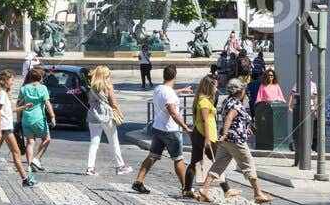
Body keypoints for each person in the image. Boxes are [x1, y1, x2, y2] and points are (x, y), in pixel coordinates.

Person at [196, 80, 273, 205]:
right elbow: (229, 118)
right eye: (245, 90)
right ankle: (258, 193)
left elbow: (235, 120)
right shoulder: (235, 104)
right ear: (240, 91)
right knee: (249, 165)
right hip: (235, 140)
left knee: (218, 165)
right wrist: (226, 133)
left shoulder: (227, 101)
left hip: (227, 141)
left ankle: (204, 189)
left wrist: (244, 130)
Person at [132, 64, 190, 196]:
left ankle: (138, 181)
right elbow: (173, 113)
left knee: (152, 156)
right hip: (170, 131)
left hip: (157, 128)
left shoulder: (158, 89)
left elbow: (168, 94)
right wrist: (186, 128)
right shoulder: (169, 93)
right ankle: (186, 189)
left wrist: (181, 90)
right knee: (178, 159)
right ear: (175, 76)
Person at [184, 75, 234, 198]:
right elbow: (205, 121)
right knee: (218, 163)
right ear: (210, 86)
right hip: (207, 136)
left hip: (199, 133)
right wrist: (207, 138)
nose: (216, 89)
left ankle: (187, 189)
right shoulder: (204, 102)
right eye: (215, 86)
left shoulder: (200, 99)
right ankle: (226, 190)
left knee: (194, 162)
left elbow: (197, 119)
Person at [83, 65, 130, 176]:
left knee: (94, 143)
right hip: (106, 116)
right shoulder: (108, 87)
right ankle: (120, 166)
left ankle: (90, 168)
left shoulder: (91, 88)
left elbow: (90, 101)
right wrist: (120, 113)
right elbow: (114, 103)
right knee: (113, 142)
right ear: (105, 75)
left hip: (93, 116)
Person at [17, 65, 54, 173]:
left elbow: (19, 104)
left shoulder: (24, 88)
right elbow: (47, 103)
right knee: (47, 139)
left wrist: (18, 119)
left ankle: (29, 166)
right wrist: (52, 116)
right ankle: (36, 159)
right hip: (39, 118)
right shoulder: (43, 88)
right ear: (41, 77)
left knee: (30, 142)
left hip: (26, 118)